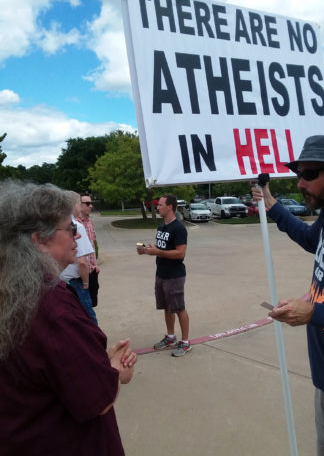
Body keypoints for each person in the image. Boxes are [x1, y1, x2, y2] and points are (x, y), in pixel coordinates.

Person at [0, 180, 137, 456]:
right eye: (71, 228)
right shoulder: (51, 308)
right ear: (38, 240)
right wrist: (116, 370)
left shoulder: (12, 291)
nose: (77, 236)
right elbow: (97, 400)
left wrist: (93, 359)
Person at [252, 134, 324, 456]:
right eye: (299, 174)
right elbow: (309, 238)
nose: (300, 183)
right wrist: (271, 203)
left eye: (309, 174)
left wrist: (313, 313)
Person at [137, 194, 192, 357]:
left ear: (170, 207)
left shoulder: (179, 228)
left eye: (160, 205)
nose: (157, 207)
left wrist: (158, 251)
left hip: (174, 275)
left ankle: (186, 342)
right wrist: (148, 250)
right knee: (167, 307)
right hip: (161, 273)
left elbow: (180, 253)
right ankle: (170, 337)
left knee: (179, 308)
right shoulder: (161, 227)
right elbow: (162, 249)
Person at [60, 191, 98, 325]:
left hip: (61, 280)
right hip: (76, 282)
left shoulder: (56, 225)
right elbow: (82, 262)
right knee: (88, 318)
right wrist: (86, 284)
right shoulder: (76, 226)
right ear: (75, 205)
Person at [76, 193, 100, 307]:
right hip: (81, 272)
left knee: (92, 303)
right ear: (79, 205)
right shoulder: (74, 224)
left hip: (93, 270)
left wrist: (96, 264)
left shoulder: (90, 222)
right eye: (88, 203)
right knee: (83, 306)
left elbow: (92, 245)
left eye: (91, 203)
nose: (91, 206)